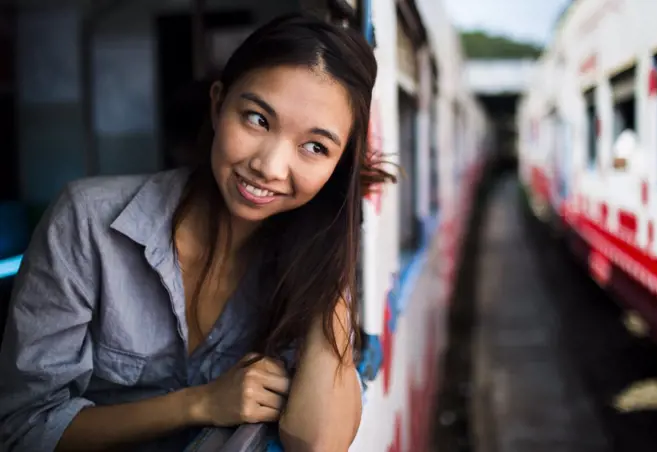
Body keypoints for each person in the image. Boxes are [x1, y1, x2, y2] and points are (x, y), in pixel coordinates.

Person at [0, 14, 395, 452]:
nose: (269, 166)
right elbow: (25, 430)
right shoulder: (86, 223)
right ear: (218, 104)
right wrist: (199, 403)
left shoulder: (304, 264)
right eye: (257, 119)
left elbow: (318, 443)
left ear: (338, 168)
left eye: (315, 147)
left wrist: (330, 267)